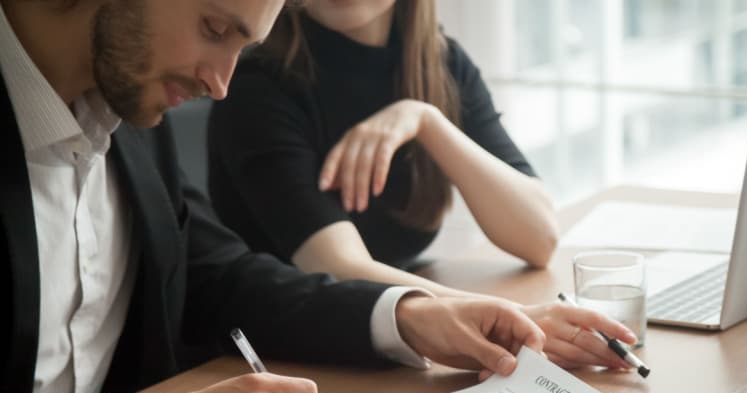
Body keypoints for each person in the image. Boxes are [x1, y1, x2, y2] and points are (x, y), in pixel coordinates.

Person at [0, 0, 634, 393]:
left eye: (238, 47)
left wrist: (409, 316)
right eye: (214, 28)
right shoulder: (194, 91)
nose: (220, 85)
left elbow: (221, 276)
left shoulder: (129, 122)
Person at [206, 0, 635, 368]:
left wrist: (427, 121)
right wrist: (512, 317)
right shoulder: (258, 85)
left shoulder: (441, 62)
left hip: (389, 349)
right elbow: (338, 266)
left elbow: (537, 237)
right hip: (283, 358)